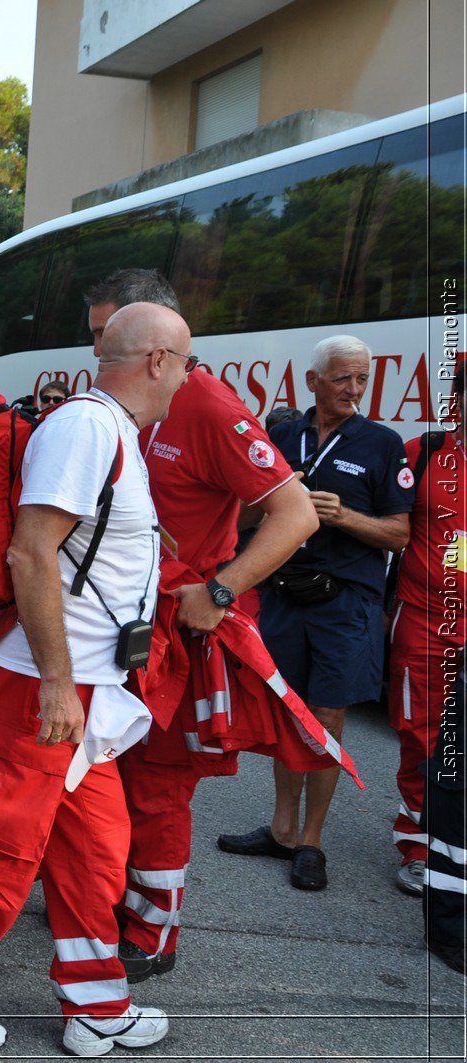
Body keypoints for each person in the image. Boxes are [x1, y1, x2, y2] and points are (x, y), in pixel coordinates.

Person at [0, 303, 189, 1055]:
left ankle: (94, 1001)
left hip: (79, 685)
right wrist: (56, 678)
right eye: (185, 361)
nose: (188, 377)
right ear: (156, 361)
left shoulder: (110, 428)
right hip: (44, 685)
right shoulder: (88, 427)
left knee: (97, 845)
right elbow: (30, 553)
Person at [82, 270, 317, 982]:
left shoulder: (209, 403)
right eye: (95, 337)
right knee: (105, 776)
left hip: (174, 639)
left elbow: (296, 514)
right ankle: (107, 898)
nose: (98, 352)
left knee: (157, 786)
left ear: (155, 341)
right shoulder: (112, 403)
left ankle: (153, 932)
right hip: (111, 628)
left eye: (107, 335)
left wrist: (220, 587)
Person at [218, 335, 412, 891]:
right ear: (313, 383)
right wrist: (277, 508)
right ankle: (281, 829)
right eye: (343, 379)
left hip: (344, 602)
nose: (354, 390)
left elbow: (399, 534)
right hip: (283, 594)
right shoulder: (282, 435)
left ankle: (312, 841)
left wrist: (344, 516)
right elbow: (245, 518)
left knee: (326, 719)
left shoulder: (381, 442)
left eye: (362, 381)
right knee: (288, 714)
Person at [388, 361, 464, 896]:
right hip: (425, 621)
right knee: (423, 738)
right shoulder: (425, 453)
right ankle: (418, 843)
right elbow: (389, 525)